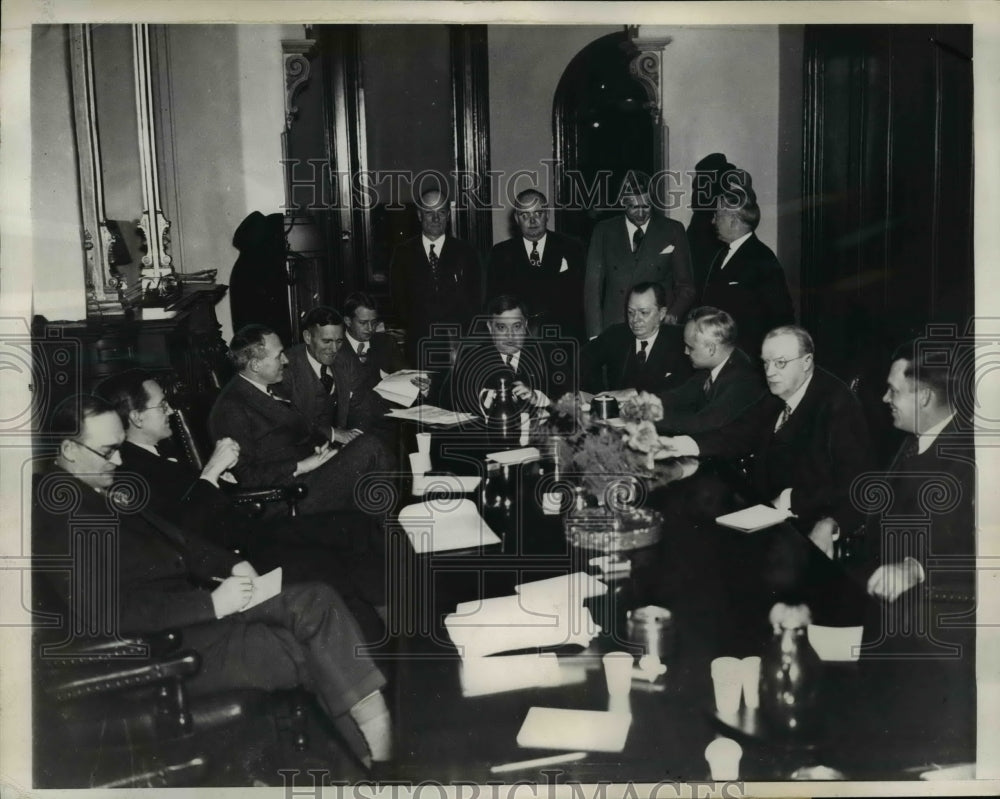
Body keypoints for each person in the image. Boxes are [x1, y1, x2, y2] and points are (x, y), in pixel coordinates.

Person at [32, 394, 392, 766]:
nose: (119, 460)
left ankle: (376, 760)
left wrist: (231, 565)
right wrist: (213, 603)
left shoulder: (95, 490)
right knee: (310, 631)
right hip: (151, 653)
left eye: (119, 449)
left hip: (188, 624)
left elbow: (181, 544)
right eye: (108, 451)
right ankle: (378, 763)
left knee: (315, 610)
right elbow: (108, 611)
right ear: (68, 450)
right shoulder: (54, 513)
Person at [95, 369, 387, 638]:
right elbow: (183, 531)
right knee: (326, 563)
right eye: (161, 405)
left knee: (356, 525)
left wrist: (224, 479)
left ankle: (393, 617)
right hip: (234, 552)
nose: (171, 410)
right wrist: (211, 471)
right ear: (137, 418)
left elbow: (202, 496)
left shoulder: (157, 452)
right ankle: (374, 646)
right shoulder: (130, 473)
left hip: (251, 526)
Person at [853, 340, 975, 764]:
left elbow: (981, 551)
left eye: (893, 390)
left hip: (936, 642)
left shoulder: (972, 459)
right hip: (890, 617)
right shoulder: (914, 439)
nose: (884, 398)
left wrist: (917, 567)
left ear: (923, 396)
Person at [208, 325, 389, 517]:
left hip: (305, 477)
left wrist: (318, 448)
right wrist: (301, 465)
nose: (286, 361)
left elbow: (293, 431)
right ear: (255, 365)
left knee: (370, 448)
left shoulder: (266, 388)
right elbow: (245, 476)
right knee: (370, 449)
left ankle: (375, 532)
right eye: (279, 356)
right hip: (285, 496)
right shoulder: (232, 408)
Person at [750, 325, 872, 552]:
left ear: (806, 362)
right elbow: (743, 436)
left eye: (780, 363)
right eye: (765, 363)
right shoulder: (778, 392)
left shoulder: (838, 405)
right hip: (767, 515)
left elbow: (854, 484)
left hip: (808, 522)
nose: (769, 372)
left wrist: (789, 500)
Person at [584, 177, 694, 338]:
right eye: (634, 207)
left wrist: (672, 315)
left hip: (658, 325)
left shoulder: (673, 230)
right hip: (616, 326)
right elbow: (592, 288)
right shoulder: (604, 231)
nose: (641, 213)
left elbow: (686, 287)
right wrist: (595, 334)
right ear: (622, 202)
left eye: (646, 206)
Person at [654, 307, 767, 455]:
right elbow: (680, 395)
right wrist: (647, 402)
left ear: (711, 349)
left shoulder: (744, 379)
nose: (685, 352)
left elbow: (701, 422)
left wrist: (650, 418)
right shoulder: (715, 364)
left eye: (690, 347)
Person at [389, 189, 481, 366]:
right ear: (419, 215)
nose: (436, 218)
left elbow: (475, 299)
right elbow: (399, 301)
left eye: (441, 212)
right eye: (429, 212)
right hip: (420, 343)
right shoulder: (403, 253)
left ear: (448, 215)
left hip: (458, 345)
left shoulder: (465, 252)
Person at [445, 295, 575, 415]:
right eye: (502, 328)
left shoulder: (548, 353)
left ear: (525, 325)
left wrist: (539, 399)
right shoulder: (472, 358)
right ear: (490, 328)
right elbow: (450, 403)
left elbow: (572, 403)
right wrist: (483, 402)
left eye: (517, 326)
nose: (510, 335)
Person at [486, 189, 586, 342]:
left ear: (547, 214)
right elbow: (494, 302)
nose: (532, 221)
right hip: (519, 339)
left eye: (538, 214)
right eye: (525, 215)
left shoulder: (572, 247)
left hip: (563, 339)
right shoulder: (500, 253)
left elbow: (581, 299)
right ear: (516, 219)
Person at [701, 193, 794, 356]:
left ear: (733, 220)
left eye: (717, 215)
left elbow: (780, 316)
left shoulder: (762, 258)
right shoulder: (720, 254)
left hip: (745, 357)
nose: (713, 221)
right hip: (721, 352)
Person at [580, 281, 691, 398]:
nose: (635, 320)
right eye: (630, 312)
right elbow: (581, 361)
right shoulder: (616, 334)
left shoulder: (680, 339)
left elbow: (686, 383)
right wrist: (600, 395)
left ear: (662, 313)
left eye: (644, 312)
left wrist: (634, 392)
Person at [278, 305, 363, 445]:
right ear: (307, 337)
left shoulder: (346, 359)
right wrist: (333, 434)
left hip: (342, 444)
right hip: (302, 447)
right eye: (327, 341)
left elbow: (361, 403)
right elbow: (288, 422)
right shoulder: (285, 367)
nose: (334, 349)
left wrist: (356, 434)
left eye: (339, 341)